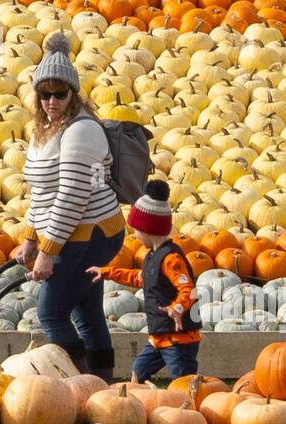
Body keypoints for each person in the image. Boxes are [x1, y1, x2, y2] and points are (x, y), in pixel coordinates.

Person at [15, 33, 126, 382]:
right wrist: (31, 238)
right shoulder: (44, 130)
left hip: (92, 232)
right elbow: (42, 193)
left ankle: (80, 386)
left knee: (51, 313)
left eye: (59, 93)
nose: (51, 101)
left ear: (73, 93)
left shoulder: (82, 131)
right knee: (86, 313)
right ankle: (103, 386)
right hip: (70, 232)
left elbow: (72, 197)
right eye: (44, 94)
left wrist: (48, 251)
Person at [87, 180, 200, 381]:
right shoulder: (152, 256)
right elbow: (140, 278)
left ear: (148, 229)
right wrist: (107, 272)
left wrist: (178, 308)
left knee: (183, 382)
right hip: (158, 338)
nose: (135, 235)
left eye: (136, 230)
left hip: (179, 339)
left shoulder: (171, 259)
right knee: (137, 373)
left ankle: (191, 410)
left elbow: (187, 289)